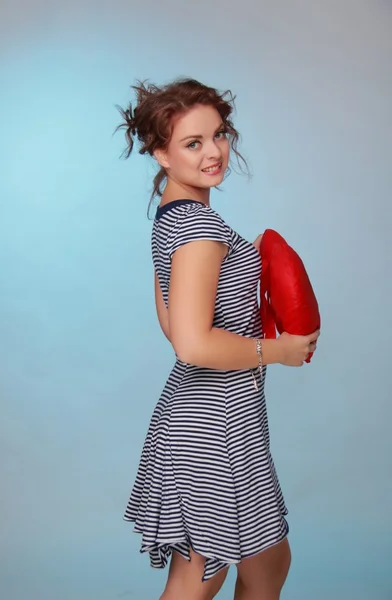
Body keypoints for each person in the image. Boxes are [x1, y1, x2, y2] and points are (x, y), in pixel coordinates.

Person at [116, 78, 319, 600]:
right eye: (193, 142)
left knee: (265, 563)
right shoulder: (200, 230)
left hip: (207, 418)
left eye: (220, 134)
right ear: (160, 152)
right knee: (202, 575)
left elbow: (171, 323)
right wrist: (280, 351)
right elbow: (189, 344)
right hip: (215, 427)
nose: (214, 152)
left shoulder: (171, 216)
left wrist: (239, 266)